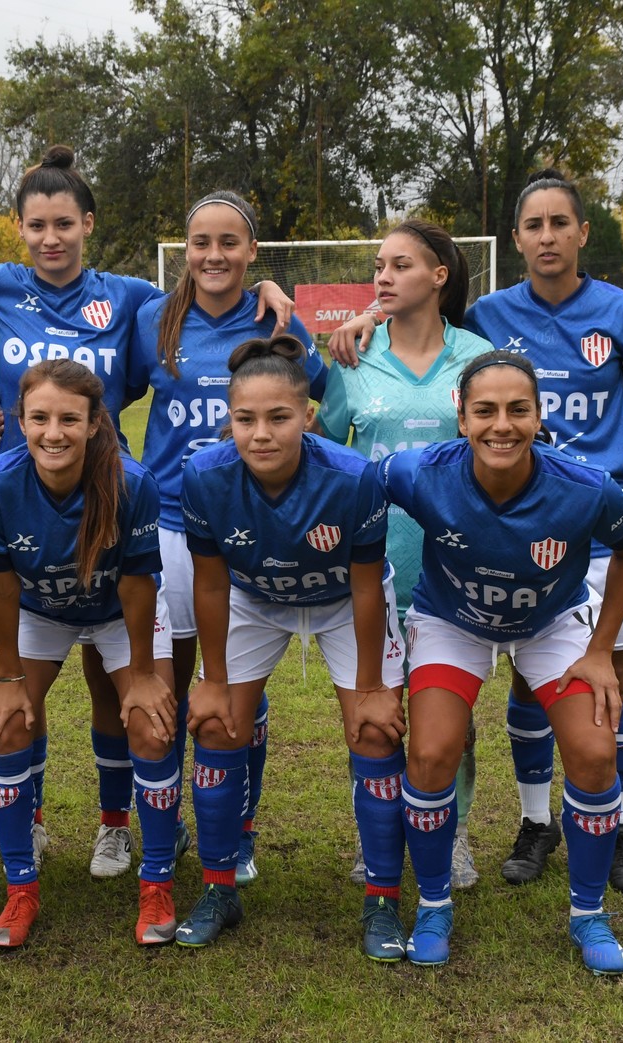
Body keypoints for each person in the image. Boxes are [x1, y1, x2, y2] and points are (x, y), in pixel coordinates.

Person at [0, 146, 294, 879]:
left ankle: (129, 825)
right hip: (20, 500)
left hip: (118, 505)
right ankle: (38, 816)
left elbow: (205, 301)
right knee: (21, 673)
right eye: (36, 225)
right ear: (16, 230)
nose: (50, 237)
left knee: (136, 680)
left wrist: (266, 285)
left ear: (88, 224)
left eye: (64, 223)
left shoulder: (132, 299)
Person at [379, 350, 623, 975]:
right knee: (431, 752)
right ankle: (434, 905)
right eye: (486, 411)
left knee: (594, 751)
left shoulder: (583, 488)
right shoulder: (421, 473)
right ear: (461, 417)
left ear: (539, 413)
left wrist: (602, 650)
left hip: (551, 625)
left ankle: (589, 915)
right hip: (452, 621)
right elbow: (349, 481)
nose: (503, 425)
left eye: (518, 410)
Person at [464, 171, 623, 893]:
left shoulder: (622, 313)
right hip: (522, 522)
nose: (547, 236)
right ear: (516, 237)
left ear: (584, 232)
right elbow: (419, 329)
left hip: (606, 526)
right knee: (529, 671)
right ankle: (535, 820)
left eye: (561, 223)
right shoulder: (488, 315)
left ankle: (613, 823)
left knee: (610, 674)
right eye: (534, 225)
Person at [178, 336, 408, 961]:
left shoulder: (354, 478)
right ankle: (220, 886)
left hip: (342, 601)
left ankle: (383, 898)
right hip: (254, 597)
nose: (260, 434)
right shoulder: (202, 475)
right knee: (220, 725)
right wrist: (215, 679)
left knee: (375, 733)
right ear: (227, 419)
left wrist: (370, 689)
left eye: (279, 417)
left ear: (308, 417)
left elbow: (365, 585)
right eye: (244, 419)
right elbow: (210, 579)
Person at [129, 190, 326, 887]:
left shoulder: (275, 318)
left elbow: (315, 393)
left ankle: (238, 826)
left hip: (249, 526)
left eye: (228, 243)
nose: (213, 255)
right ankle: (167, 821)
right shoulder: (153, 318)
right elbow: (98, 394)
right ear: (186, 249)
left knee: (238, 684)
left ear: (251, 252)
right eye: (200, 242)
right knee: (169, 682)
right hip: (168, 527)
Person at [0, 359, 180, 948]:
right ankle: (19, 890)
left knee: (152, 727)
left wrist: (140, 674)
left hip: (119, 614)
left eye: (68, 418)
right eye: (39, 418)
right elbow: (0, 583)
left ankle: (156, 882)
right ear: (18, 421)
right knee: (6, 724)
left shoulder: (133, 483)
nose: (52, 432)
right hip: (41, 612)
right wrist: (7, 674)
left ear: (93, 424)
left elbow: (139, 584)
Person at [317, 218, 491, 889]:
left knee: (448, 721)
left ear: (438, 276)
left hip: (455, 567)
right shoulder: (354, 357)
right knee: (375, 714)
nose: (382, 277)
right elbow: (330, 450)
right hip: (374, 569)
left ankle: (452, 834)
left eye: (399, 265)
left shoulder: (476, 355)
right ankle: (377, 834)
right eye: (377, 266)